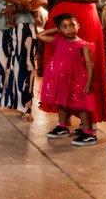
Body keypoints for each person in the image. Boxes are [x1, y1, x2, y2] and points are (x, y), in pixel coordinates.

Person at [43, 0, 106, 124]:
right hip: (60, 20)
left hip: (85, 19)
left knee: (86, 65)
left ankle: (88, 121)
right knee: (62, 68)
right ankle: (63, 120)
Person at [38, 14, 97, 145]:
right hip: (60, 79)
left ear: (78, 26)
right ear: (59, 30)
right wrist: (55, 29)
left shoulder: (83, 45)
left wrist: (89, 82)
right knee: (61, 102)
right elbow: (40, 36)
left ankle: (89, 134)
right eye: (64, 27)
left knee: (81, 105)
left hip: (76, 79)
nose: (69, 29)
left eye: (72, 25)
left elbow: (89, 64)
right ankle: (63, 127)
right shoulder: (58, 40)